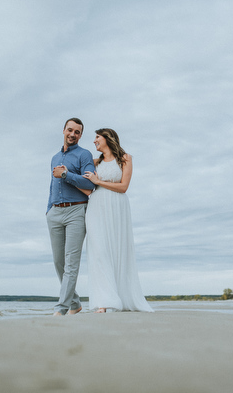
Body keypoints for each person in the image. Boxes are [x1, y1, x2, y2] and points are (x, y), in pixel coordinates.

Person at [82, 128, 153, 313]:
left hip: (118, 206)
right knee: (99, 251)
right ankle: (104, 302)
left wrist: (99, 182)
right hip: (96, 207)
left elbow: (123, 187)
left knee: (118, 250)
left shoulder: (125, 158)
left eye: (97, 137)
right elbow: (85, 183)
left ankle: (121, 297)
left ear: (107, 138)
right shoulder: (94, 162)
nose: (94, 141)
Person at [46, 118, 96, 316]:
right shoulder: (54, 157)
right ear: (64, 131)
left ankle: (61, 309)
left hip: (76, 211)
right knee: (59, 262)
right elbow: (52, 186)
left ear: (80, 135)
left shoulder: (85, 155)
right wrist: (48, 209)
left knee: (71, 262)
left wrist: (66, 175)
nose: (72, 134)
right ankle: (75, 303)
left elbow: (90, 185)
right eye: (70, 130)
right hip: (54, 212)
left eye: (77, 132)